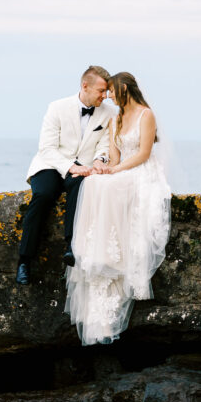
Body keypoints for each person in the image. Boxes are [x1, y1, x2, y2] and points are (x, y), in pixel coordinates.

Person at [64, 72, 172, 345]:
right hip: (122, 170)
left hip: (142, 172)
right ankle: (98, 254)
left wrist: (115, 170)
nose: (109, 97)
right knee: (94, 184)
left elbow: (143, 154)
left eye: (111, 91)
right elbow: (113, 156)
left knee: (108, 184)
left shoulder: (146, 115)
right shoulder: (116, 119)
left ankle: (111, 254)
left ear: (124, 89)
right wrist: (104, 168)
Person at [16, 66, 117, 285]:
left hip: (85, 168)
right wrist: (71, 167)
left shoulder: (109, 113)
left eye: (106, 91)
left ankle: (72, 248)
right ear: (85, 86)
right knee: (43, 195)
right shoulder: (57, 107)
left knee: (80, 188)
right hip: (51, 164)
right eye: (101, 90)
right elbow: (47, 148)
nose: (105, 96)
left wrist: (100, 160)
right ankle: (24, 260)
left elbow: (105, 144)